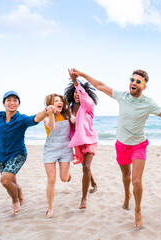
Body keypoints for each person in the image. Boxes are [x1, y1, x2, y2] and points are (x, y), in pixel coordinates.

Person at [69, 68, 161, 228]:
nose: (134, 83)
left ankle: (137, 210)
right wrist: (81, 74)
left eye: (138, 81)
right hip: (121, 145)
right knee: (126, 177)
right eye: (132, 79)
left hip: (139, 145)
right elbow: (101, 85)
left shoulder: (148, 102)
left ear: (144, 86)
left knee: (136, 181)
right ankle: (127, 195)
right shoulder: (122, 96)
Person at [64, 69, 99, 209]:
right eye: (75, 92)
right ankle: (94, 183)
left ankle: (84, 199)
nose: (77, 94)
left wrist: (75, 81)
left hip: (90, 139)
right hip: (78, 141)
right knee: (85, 167)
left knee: (86, 166)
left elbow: (83, 94)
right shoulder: (69, 108)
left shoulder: (88, 105)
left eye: (79, 92)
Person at [43, 93, 74, 217]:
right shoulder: (45, 116)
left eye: (60, 100)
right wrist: (51, 114)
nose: (59, 102)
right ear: (50, 104)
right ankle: (50, 208)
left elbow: (76, 121)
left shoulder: (66, 115)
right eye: (56, 101)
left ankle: (67, 174)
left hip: (65, 149)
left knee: (64, 178)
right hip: (50, 150)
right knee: (52, 179)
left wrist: (70, 111)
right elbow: (51, 126)